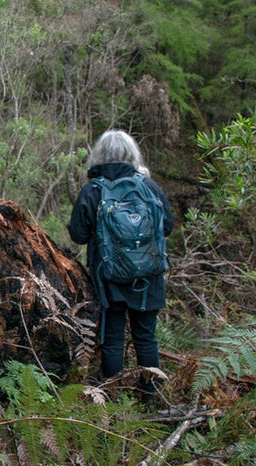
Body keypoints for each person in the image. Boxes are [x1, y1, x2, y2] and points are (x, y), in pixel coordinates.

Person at [66, 129, 174, 401]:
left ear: (99, 155)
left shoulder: (93, 190)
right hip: (149, 277)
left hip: (109, 278)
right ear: (131, 154)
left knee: (112, 339)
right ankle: (150, 397)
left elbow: (78, 234)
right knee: (146, 338)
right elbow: (168, 227)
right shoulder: (149, 187)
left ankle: (112, 400)